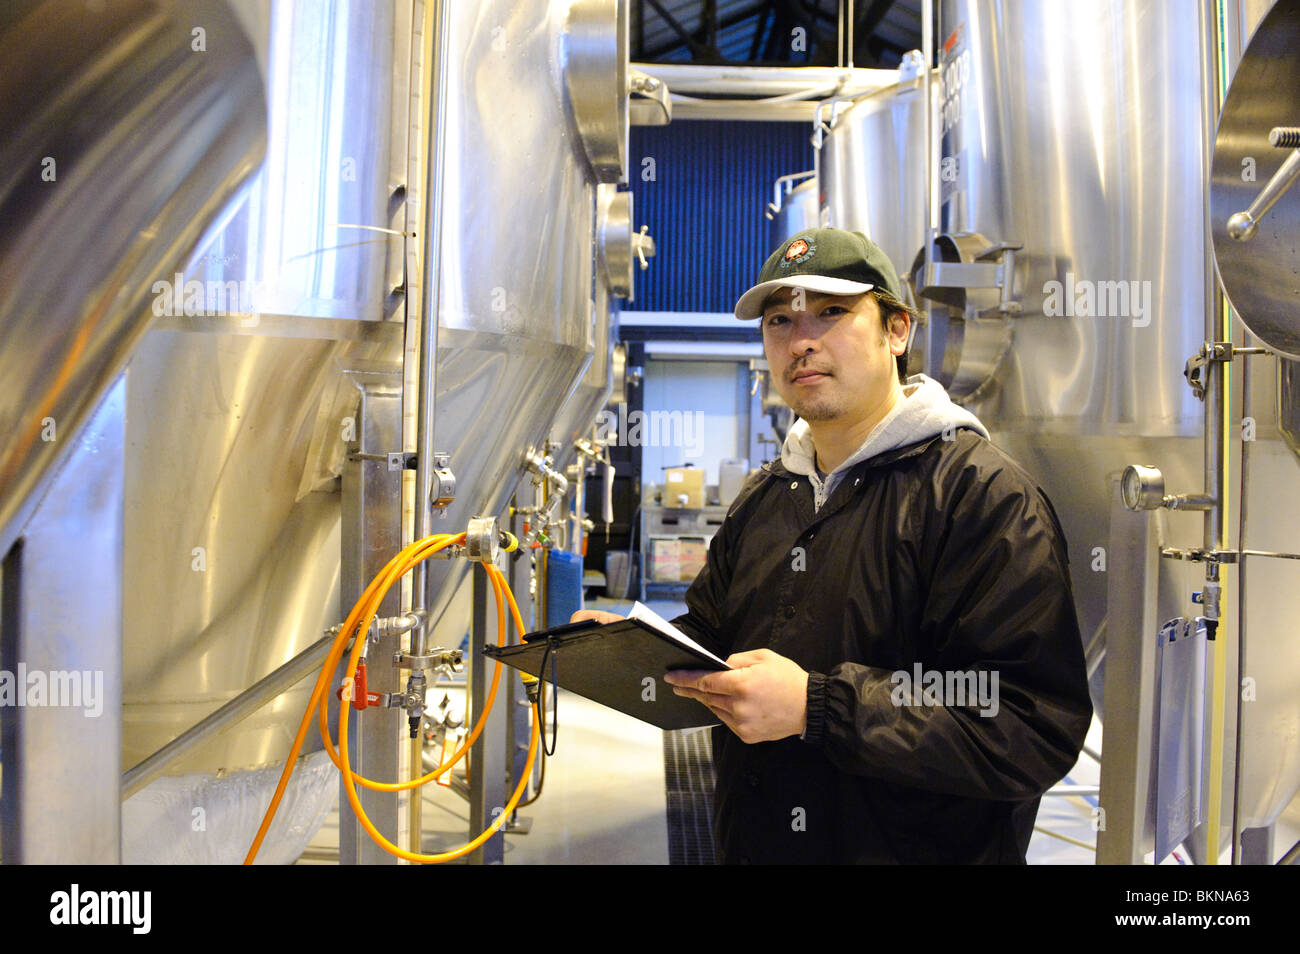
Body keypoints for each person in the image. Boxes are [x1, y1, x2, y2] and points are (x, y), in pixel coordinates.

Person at [575, 227, 1092, 863]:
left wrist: (817, 707)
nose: (801, 341)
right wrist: (630, 651)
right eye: (779, 321)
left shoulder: (982, 500)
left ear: (897, 331)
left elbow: (1028, 726)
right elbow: (714, 635)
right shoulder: (767, 497)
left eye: (832, 312)